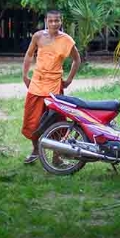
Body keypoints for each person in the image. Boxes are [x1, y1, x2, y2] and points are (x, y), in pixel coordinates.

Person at [21, 10, 81, 164]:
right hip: (37, 83)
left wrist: (69, 80)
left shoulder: (67, 40)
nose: (54, 23)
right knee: (32, 120)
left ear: (61, 21)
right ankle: (35, 150)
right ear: (46, 21)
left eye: (57, 20)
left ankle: (56, 156)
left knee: (56, 121)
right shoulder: (38, 36)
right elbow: (29, 55)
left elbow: (76, 60)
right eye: (51, 21)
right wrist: (25, 75)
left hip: (54, 85)